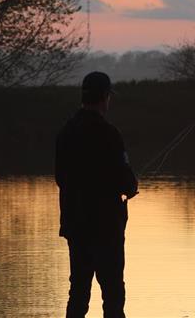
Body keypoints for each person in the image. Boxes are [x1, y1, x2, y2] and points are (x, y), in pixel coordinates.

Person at [55, 71, 139, 318]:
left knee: (78, 292)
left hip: (75, 225)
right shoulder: (109, 133)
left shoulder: (65, 133)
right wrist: (132, 186)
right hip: (106, 228)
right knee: (113, 293)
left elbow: (61, 179)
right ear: (104, 97)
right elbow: (126, 182)